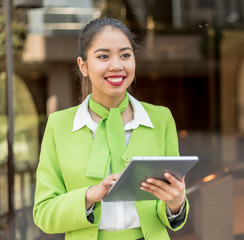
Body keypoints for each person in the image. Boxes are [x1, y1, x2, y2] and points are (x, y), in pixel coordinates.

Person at [33, 17, 189, 240]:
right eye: (103, 56)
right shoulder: (59, 125)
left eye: (125, 55)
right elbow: (43, 214)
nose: (117, 65)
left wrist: (176, 203)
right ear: (83, 65)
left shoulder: (160, 119)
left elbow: (171, 202)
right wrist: (89, 196)